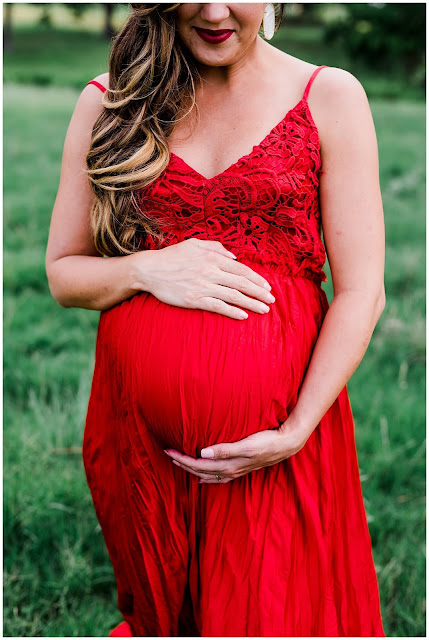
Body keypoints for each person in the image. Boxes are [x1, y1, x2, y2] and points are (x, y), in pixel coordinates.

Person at [45, 2, 387, 637]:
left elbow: (362, 292)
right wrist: (145, 270)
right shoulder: (110, 103)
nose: (213, 10)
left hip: (278, 442)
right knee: (162, 613)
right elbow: (64, 273)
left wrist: (294, 430)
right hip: (140, 442)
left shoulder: (328, 95)